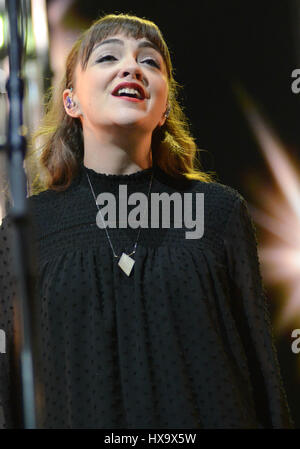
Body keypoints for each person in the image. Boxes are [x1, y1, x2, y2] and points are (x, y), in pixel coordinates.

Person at [0, 13, 294, 429]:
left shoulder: (219, 213)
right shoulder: (27, 228)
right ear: (71, 101)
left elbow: (262, 370)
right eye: (107, 57)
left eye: (150, 61)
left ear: (165, 107)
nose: (131, 67)